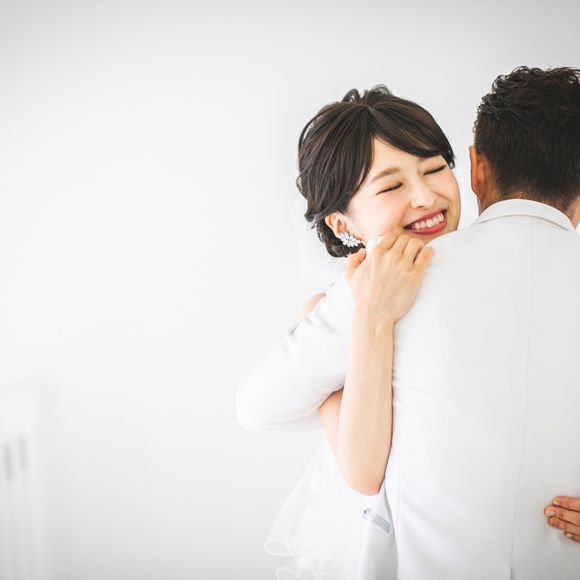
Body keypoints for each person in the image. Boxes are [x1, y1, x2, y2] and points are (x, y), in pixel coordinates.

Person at [236, 70, 580, 579]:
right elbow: (266, 414)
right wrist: (367, 325)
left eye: (436, 169)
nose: (425, 197)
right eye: (392, 185)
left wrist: (338, 381)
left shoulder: (406, 281)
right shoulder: (368, 289)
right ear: (342, 223)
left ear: (474, 170)